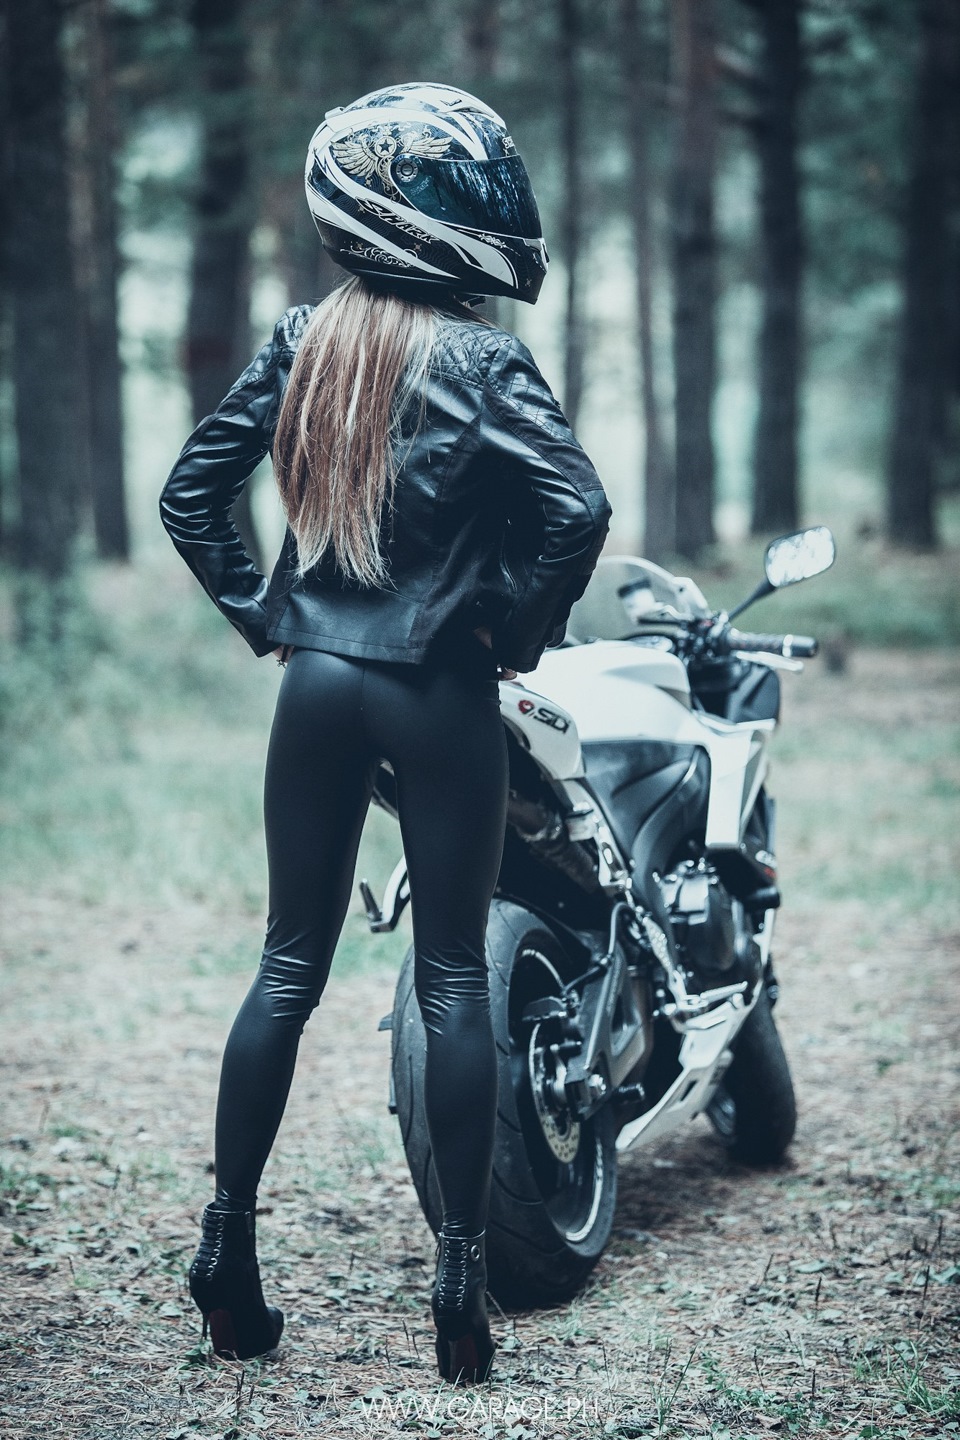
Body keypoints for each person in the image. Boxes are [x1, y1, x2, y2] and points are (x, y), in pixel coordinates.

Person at [160, 81, 612, 1385]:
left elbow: (193, 495)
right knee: (453, 976)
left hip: (317, 687)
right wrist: (515, 634)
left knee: (284, 968)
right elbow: (577, 509)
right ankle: (460, 1280)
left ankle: (227, 1246)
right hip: (437, 687)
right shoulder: (482, 358)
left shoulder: (306, 339)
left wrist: (270, 619)